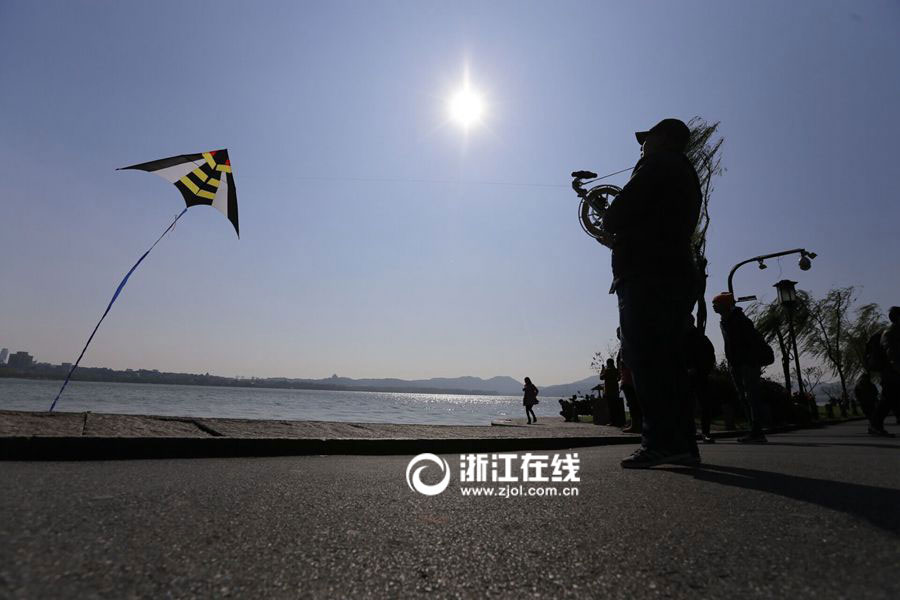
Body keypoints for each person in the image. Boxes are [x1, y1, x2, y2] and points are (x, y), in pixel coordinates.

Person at [602, 118, 702, 468]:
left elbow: (619, 212)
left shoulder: (657, 164)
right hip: (675, 272)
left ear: (661, 139)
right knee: (671, 362)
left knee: (645, 358)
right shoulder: (686, 174)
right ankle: (683, 445)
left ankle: (658, 442)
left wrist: (610, 225)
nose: (641, 147)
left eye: (646, 140)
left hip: (646, 273)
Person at [712, 292, 769, 443]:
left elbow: (749, 342)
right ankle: (753, 430)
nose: (713, 306)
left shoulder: (740, 320)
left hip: (747, 363)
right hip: (736, 364)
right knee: (744, 396)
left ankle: (757, 431)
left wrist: (746, 360)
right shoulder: (725, 321)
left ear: (726, 305)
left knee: (751, 396)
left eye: (716, 303)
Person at [686, 317, 717, 443]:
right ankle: (695, 432)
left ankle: (704, 431)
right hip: (690, 375)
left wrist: (699, 369)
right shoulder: (684, 337)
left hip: (699, 375)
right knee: (689, 405)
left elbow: (710, 356)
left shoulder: (699, 338)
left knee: (703, 404)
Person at [600, 358, 624, 427]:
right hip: (615, 390)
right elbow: (619, 378)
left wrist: (602, 369)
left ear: (608, 363)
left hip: (608, 390)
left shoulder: (607, 371)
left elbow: (601, 377)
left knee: (611, 407)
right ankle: (617, 421)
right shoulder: (616, 370)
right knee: (615, 406)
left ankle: (612, 421)